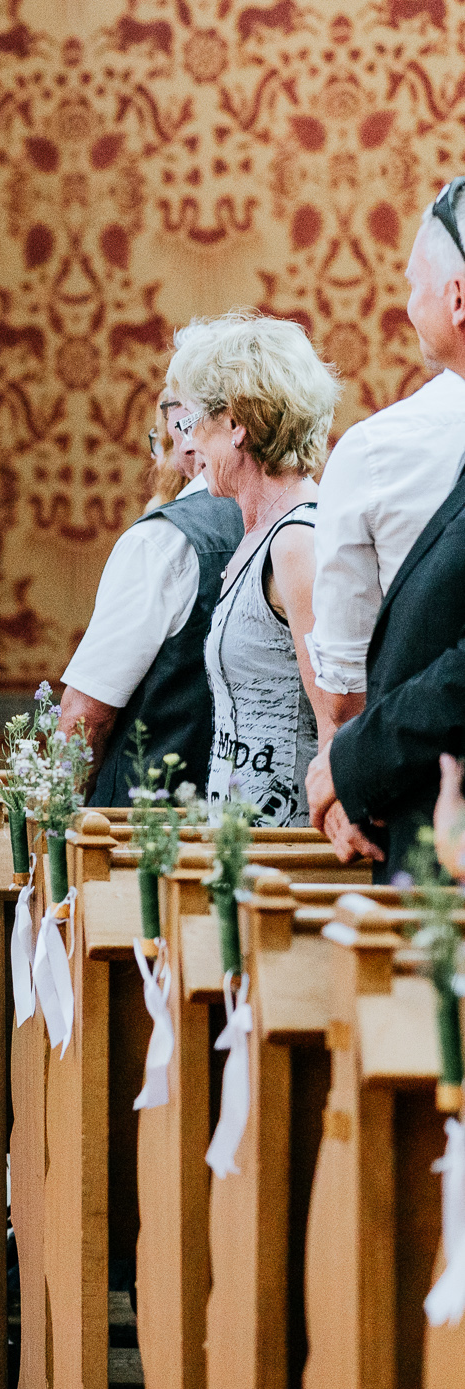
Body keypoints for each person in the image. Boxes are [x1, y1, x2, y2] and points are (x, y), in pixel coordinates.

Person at [308, 178, 465, 871]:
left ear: (456, 300)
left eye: (415, 285)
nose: (408, 304)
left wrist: (351, 759)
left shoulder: (374, 448)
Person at [168, 311, 341, 827]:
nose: (188, 442)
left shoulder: (295, 542)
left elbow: (339, 713)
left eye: (197, 421)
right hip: (241, 847)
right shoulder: (256, 536)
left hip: (286, 856)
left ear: (238, 424)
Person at [57, 379, 243, 803]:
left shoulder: (162, 541)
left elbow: (86, 717)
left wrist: (50, 833)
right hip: (263, 823)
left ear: (186, 428)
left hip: (142, 832)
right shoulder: (311, 520)